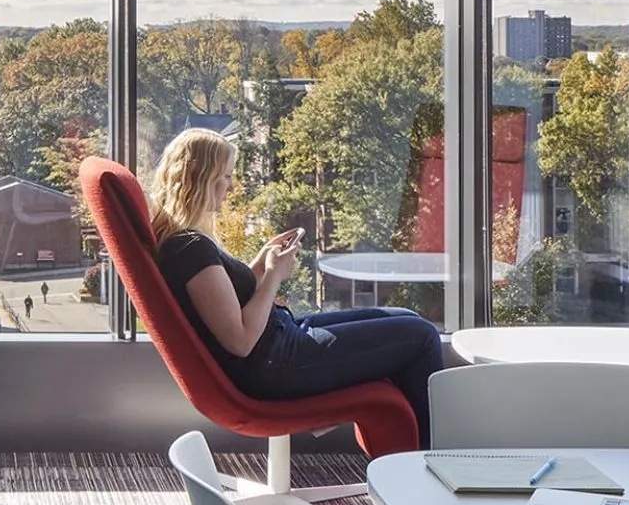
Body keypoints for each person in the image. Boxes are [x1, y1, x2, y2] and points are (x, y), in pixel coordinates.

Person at [146, 127, 443, 445]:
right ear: (201, 178)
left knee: (404, 317)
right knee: (422, 337)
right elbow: (241, 341)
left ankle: (404, 454)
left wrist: (259, 265)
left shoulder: (185, 241)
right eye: (226, 176)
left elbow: (225, 301)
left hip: (280, 342)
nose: (232, 187)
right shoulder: (190, 248)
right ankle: (424, 462)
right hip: (276, 364)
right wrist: (274, 276)